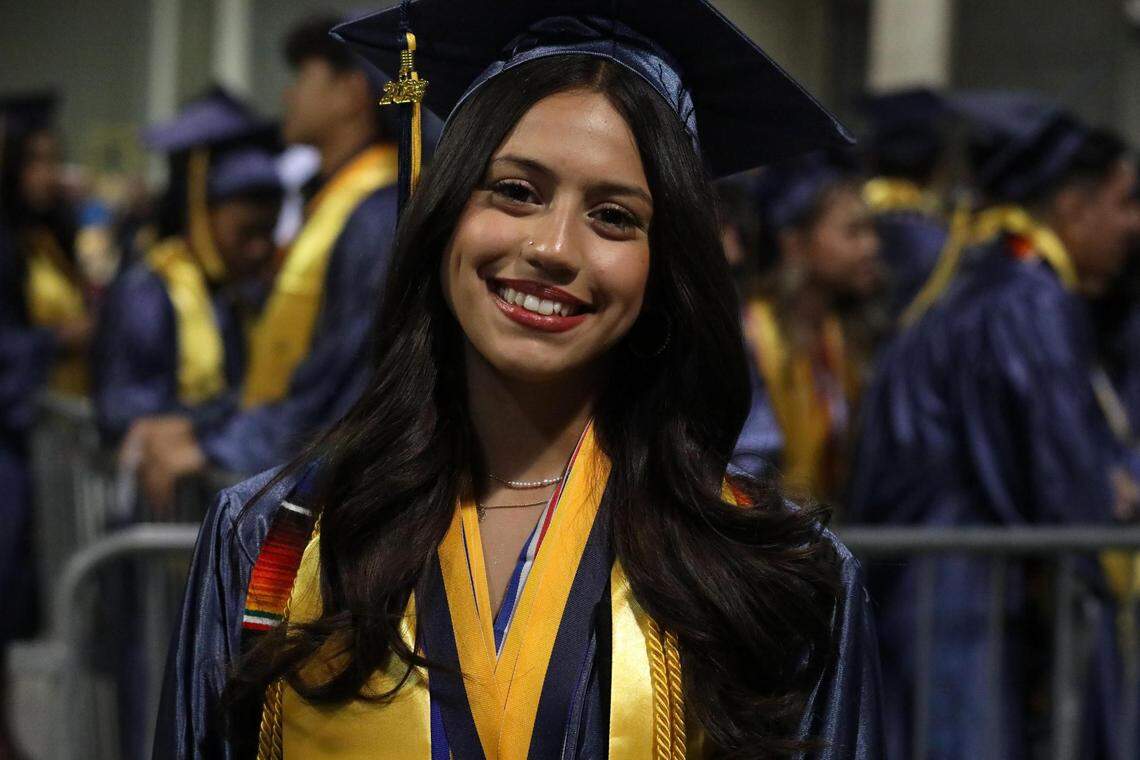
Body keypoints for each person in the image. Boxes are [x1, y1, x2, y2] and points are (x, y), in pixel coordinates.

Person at [154, 1, 883, 757]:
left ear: (666, 265)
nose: (554, 247)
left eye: (613, 216)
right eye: (515, 191)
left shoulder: (773, 583)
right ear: (443, 213)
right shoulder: (274, 544)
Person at [847, 98, 1140, 759]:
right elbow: (1061, 475)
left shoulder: (978, 273)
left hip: (929, 582)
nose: (1133, 224)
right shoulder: (1028, 298)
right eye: (1123, 202)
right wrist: (1107, 493)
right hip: (957, 595)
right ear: (1072, 205)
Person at [128, 14, 402, 504]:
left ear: (351, 92)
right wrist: (198, 428)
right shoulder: (339, 205)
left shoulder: (376, 216)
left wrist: (215, 446)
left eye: (303, 79)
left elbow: (344, 389)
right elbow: (297, 377)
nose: (288, 96)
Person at [93, 88, 283, 447]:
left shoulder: (241, 294)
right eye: (246, 232)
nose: (261, 249)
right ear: (201, 218)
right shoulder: (148, 292)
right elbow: (124, 410)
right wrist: (229, 417)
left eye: (269, 231)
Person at [0, 91, 91, 760]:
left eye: (53, 160)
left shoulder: (42, 236)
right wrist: (57, 342)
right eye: (34, 160)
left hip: (36, 445)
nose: (48, 174)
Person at [733, 152, 881, 501]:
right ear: (795, 243)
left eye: (871, 229)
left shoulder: (840, 334)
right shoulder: (751, 336)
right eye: (853, 231)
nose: (871, 246)